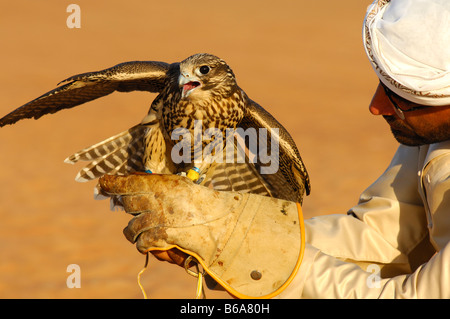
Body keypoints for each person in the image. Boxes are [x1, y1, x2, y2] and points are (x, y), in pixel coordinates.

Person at [99, 0, 450, 298]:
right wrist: (235, 238)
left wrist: (254, 258)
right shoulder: (431, 135)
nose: (376, 106)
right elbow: (379, 237)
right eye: (383, 83)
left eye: (404, 98)